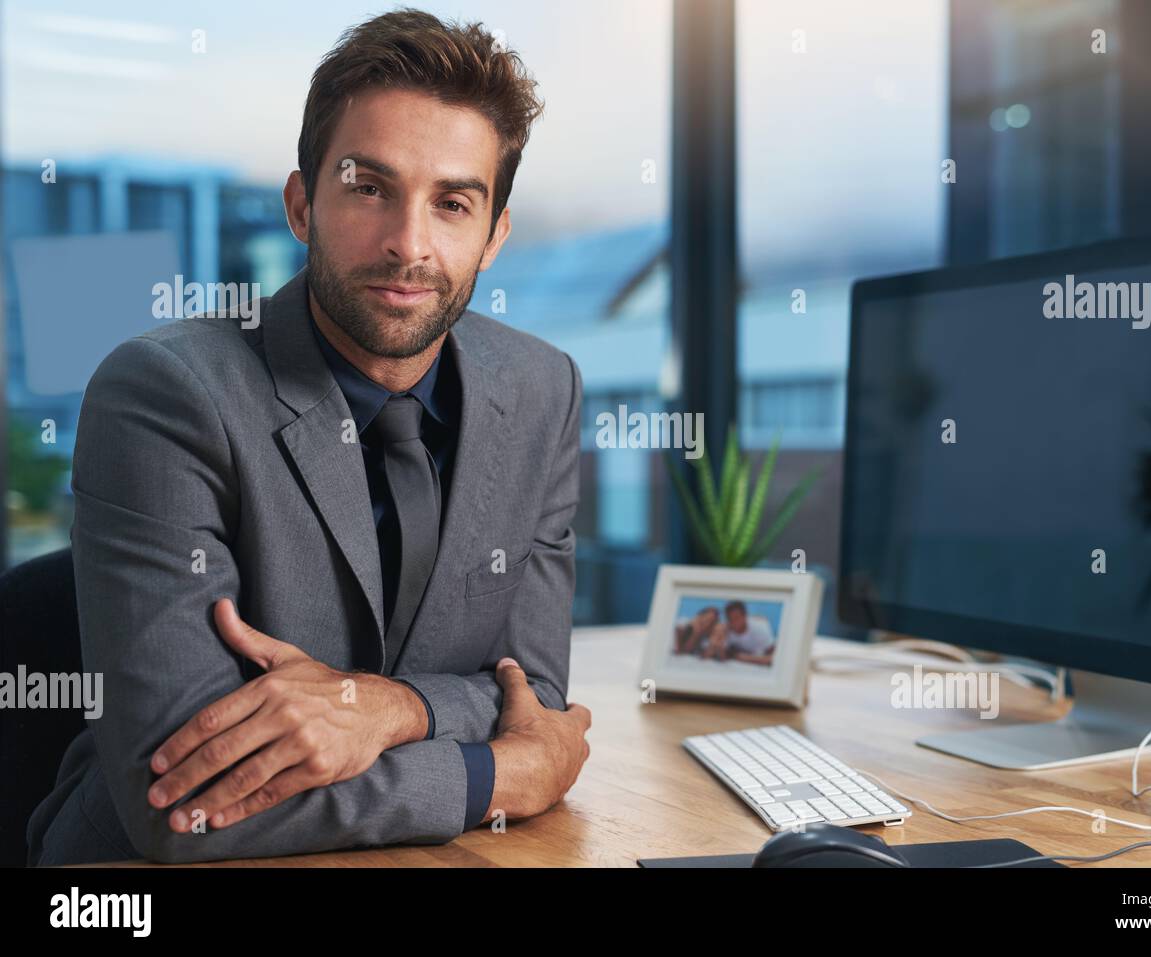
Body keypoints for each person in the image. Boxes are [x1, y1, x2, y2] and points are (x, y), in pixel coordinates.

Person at [27, 9, 591, 866]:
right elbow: (184, 799)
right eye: (370, 187)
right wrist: (499, 777)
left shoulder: (545, 391)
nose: (410, 244)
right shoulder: (164, 393)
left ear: (495, 235)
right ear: (302, 203)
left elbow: (537, 694)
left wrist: (388, 708)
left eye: (453, 203)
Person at [722, 601, 776, 665]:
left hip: (759, 654)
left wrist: (743, 657)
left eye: (736, 618)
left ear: (745, 616)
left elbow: (773, 658)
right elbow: (723, 656)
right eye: (730, 619)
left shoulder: (759, 629)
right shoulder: (726, 629)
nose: (733, 623)